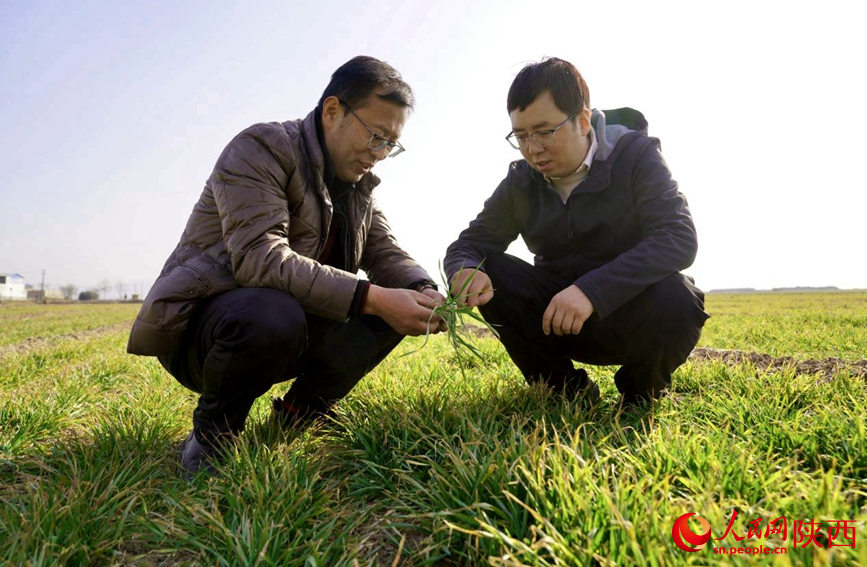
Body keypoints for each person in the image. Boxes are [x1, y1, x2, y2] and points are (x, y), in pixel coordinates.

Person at [127, 56, 445, 474]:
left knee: (397, 308)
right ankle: (213, 434)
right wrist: (374, 297)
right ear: (333, 111)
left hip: (293, 329)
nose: (380, 153)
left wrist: (423, 289)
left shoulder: (357, 186)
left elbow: (385, 252)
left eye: (390, 143)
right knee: (276, 310)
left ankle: (298, 412)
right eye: (375, 136)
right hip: (212, 331)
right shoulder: (261, 149)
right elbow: (260, 259)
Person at [444, 57, 709, 411]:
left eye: (544, 131)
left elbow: (677, 236)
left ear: (583, 120)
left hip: (627, 314)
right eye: (520, 136)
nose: (533, 149)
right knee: (491, 268)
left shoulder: (635, 156)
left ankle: (639, 395)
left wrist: (591, 291)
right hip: (555, 321)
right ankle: (565, 391)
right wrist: (463, 269)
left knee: (678, 298)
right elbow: (470, 243)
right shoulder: (521, 182)